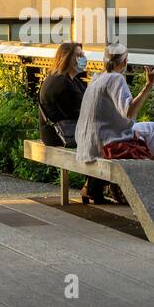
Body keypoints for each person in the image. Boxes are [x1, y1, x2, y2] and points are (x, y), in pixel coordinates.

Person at [37, 42, 109, 204]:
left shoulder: (69, 79)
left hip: (62, 129)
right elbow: (86, 110)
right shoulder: (62, 84)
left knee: (101, 134)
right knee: (105, 138)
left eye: (83, 55)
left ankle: (92, 187)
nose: (83, 58)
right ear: (66, 59)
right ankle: (92, 188)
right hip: (57, 135)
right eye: (78, 55)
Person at [75, 43, 154, 166]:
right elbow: (129, 112)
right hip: (104, 142)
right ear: (124, 61)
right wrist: (149, 85)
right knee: (153, 128)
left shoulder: (96, 78)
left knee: (151, 128)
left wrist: (129, 129)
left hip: (87, 143)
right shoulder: (116, 78)